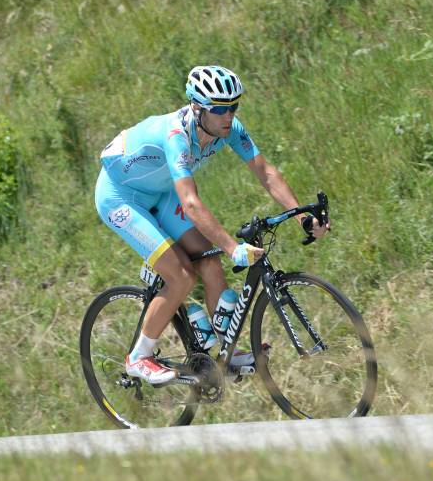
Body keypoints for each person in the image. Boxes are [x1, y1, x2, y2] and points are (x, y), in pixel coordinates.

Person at [94, 65, 329, 384]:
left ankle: (224, 355)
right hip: (120, 197)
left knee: (209, 260)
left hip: (160, 193)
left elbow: (266, 173)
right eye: (219, 109)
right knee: (179, 275)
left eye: (233, 107)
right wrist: (235, 248)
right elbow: (190, 203)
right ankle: (139, 357)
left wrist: (303, 216)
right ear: (197, 107)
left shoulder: (228, 129)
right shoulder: (176, 135)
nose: (228, 116)